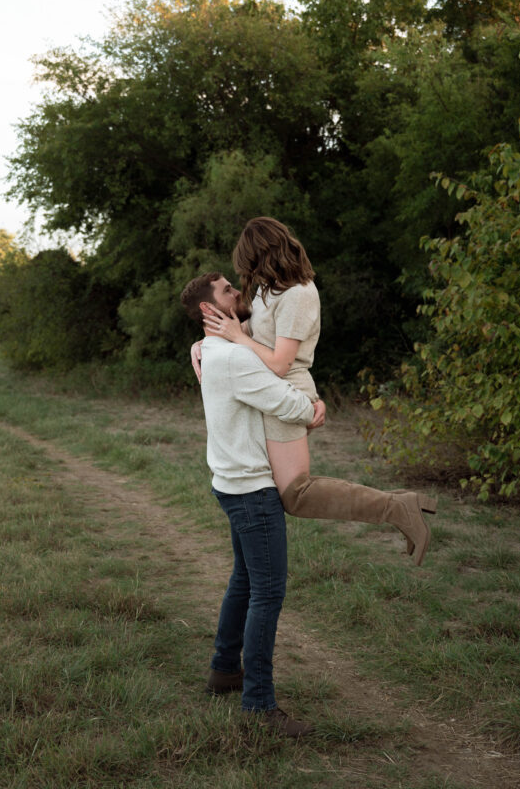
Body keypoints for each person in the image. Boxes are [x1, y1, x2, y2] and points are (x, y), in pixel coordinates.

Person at [193, 217, 437, 565]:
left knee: (296, 495)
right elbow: (247, 330)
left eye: (248, 261)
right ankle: (399, 506)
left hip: (286, 388)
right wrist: (202, 342)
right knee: (288, 493)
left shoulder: (299, 295)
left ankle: (398, 507)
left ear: (263, 253)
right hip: (269, 391)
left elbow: (279, 362)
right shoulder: (269, 289)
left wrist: (238, 338)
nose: (246, 273)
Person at [180, 271, 325, 738]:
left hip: (230, 483)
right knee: (268, 592)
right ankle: (259, 705)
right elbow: (287, 403)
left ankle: (224, 670)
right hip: (251, 492)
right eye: (227, 291)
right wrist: (314, 409)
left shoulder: (219, 352)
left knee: (245, 580)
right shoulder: (232, 360)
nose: (237, 292)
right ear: (209, 311)